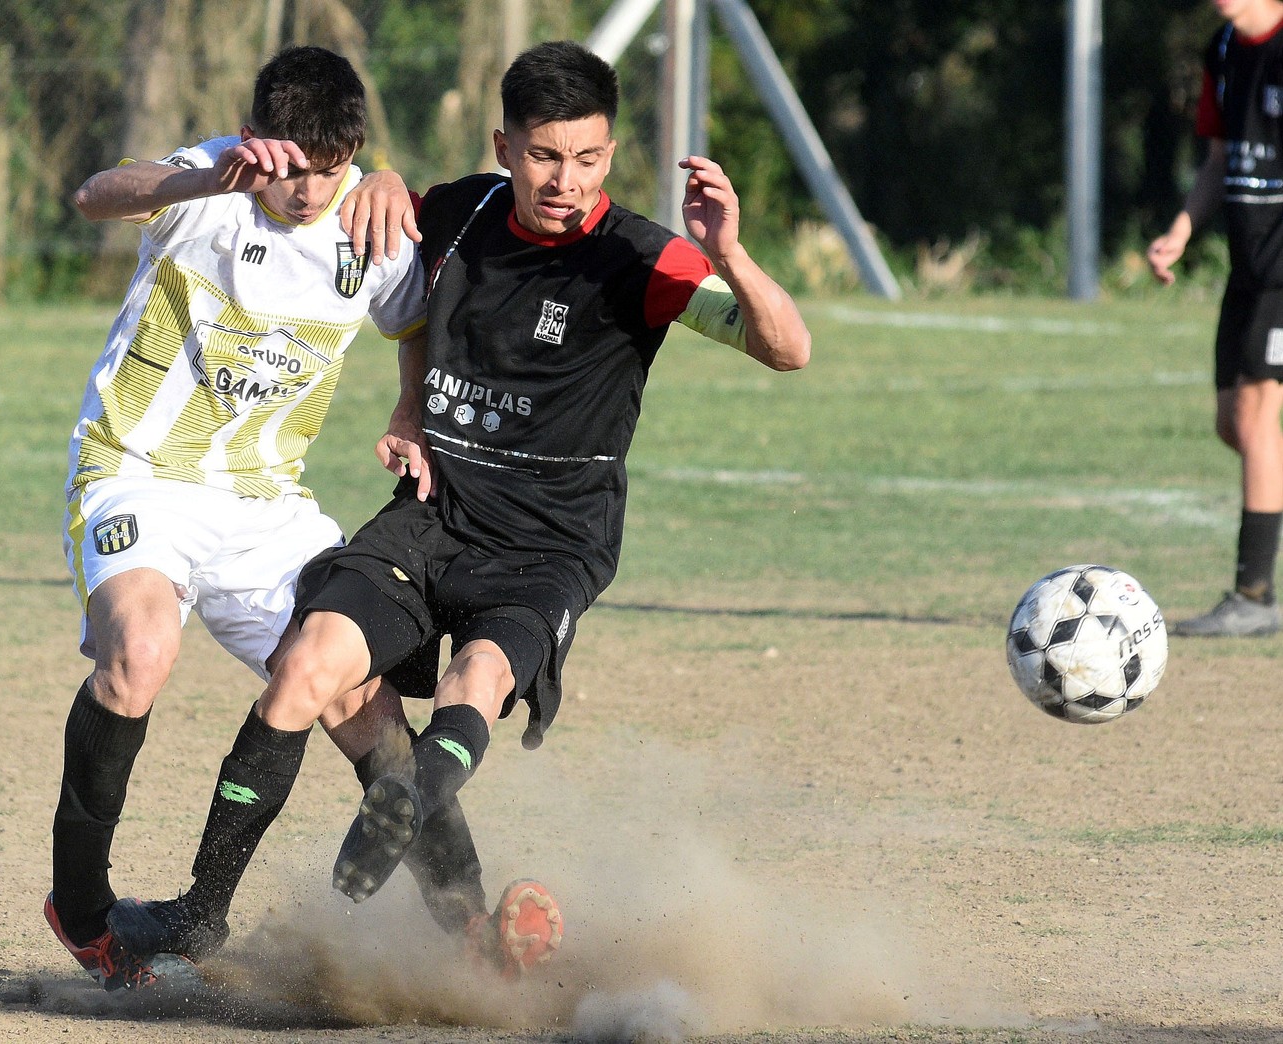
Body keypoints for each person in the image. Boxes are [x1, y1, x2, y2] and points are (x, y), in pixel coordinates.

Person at [111, 39, 809, 975]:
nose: (565, 180)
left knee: (472, 679)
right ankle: (200, 915)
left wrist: (729, 254)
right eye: (544, 155)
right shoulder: (458, 211)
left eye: (587, 158)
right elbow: (373, 213)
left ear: (610, 152)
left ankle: (422, 827)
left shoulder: (641, 257)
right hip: (432, 514)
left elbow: (786, 349)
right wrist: (380, 181)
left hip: (549, 542)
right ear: (503, 146)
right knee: (305, 667)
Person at [45, 45, 493, 992]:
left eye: (331, 170)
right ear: (255, 140)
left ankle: (472, 926)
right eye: (293, 170)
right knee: (139, 657)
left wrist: (408, 408)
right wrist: (204, 177)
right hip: (138, 474)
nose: (308, 192)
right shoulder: (209, 181)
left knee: (357, 697)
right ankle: (83, 910)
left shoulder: (370, 220)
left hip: (267, 504)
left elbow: (411, 321)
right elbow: (96, 196)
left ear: (353, 154)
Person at [1148, 0, 1283, 637]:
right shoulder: (1224, 50)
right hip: (1246, 268)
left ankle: (1254, 596)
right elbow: (1219, 159)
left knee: (1256, 421)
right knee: (1234, 426)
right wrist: (1181, 230)